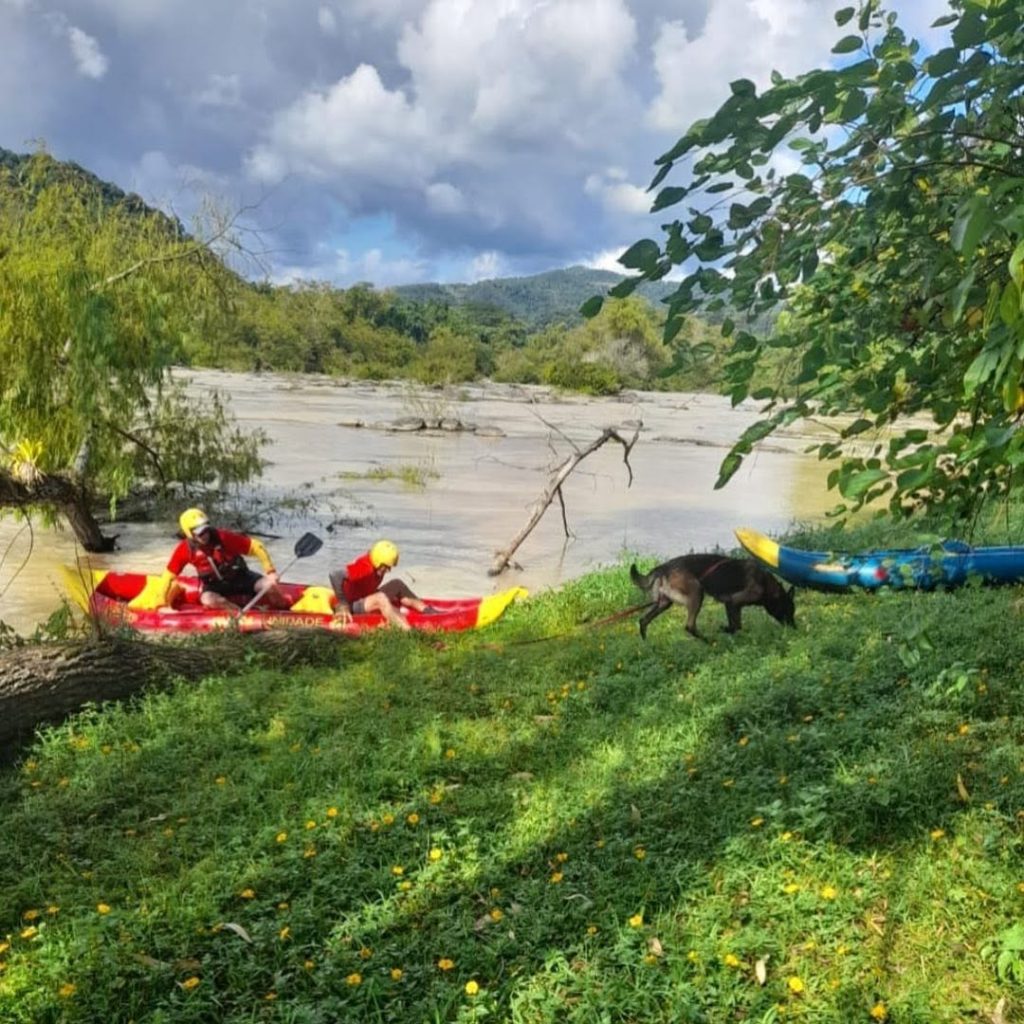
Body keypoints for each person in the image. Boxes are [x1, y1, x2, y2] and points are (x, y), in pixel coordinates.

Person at [131, 508, 291, 612]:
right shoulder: (184, 550)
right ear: (190, 533)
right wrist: (162, 603)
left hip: (241, 577)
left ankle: (286, 608)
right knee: (208, 599)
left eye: (206, 530)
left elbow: (257, 547)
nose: (205, 535)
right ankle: (239, 613)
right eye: (200, 533)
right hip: (214, 585)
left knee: (268, 585)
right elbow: (168, 576)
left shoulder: (223, 537)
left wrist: (270, 572)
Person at [329, 540, 432, 631]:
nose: (388, 570)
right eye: (386, 567)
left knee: (397, 583)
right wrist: (343, 604)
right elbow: (335, 575)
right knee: (380, 598)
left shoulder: (376, 566)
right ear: (378, 561)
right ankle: (408, 632)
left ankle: (428, 611)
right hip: (353, 605)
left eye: (390, 567)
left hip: (365, 597)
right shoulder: (364, 567)